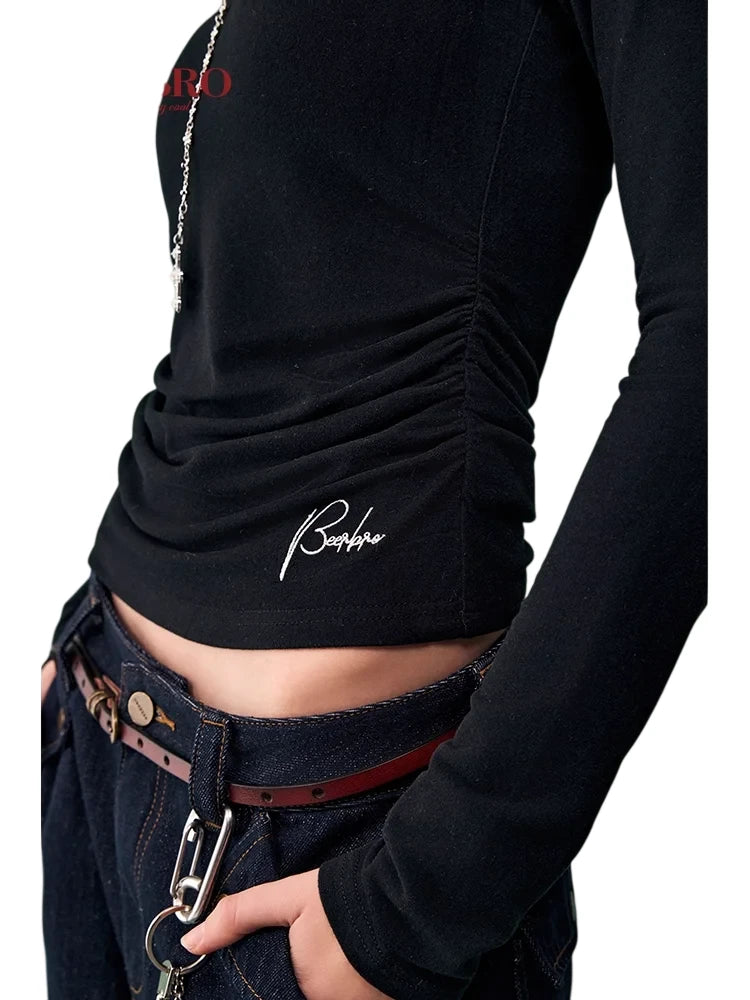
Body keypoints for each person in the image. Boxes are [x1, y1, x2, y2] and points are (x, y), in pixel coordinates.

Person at [40, 0, 707, 998]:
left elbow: (716, 353)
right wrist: (74, 671)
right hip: (103, 719)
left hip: (328, 828)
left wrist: (424, 895)